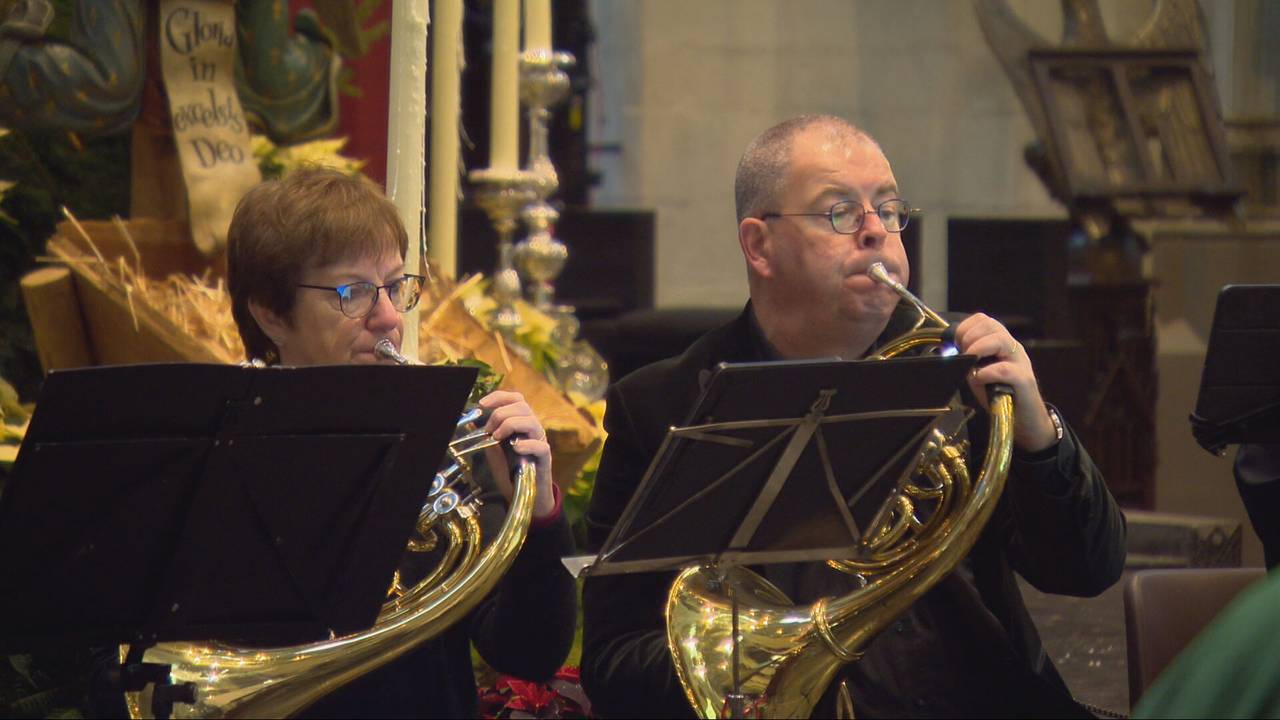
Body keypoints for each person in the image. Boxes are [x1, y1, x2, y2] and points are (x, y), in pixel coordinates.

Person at [580, 115, 1126, 718]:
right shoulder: (661, 407)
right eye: (840, 213)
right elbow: (614, 661)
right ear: (759, 245)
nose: (876, 234)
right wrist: (742, 675)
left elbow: (1086, 570)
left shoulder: (964, 379)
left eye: (889, 211)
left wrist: (1038, 436)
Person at [224, 166, 577, 718]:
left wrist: (536, 514)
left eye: (394, 286)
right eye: (354, 293)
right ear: (271, 313)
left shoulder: (449, 438)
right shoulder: (220, 450)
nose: (389, 318)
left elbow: (528, 653)